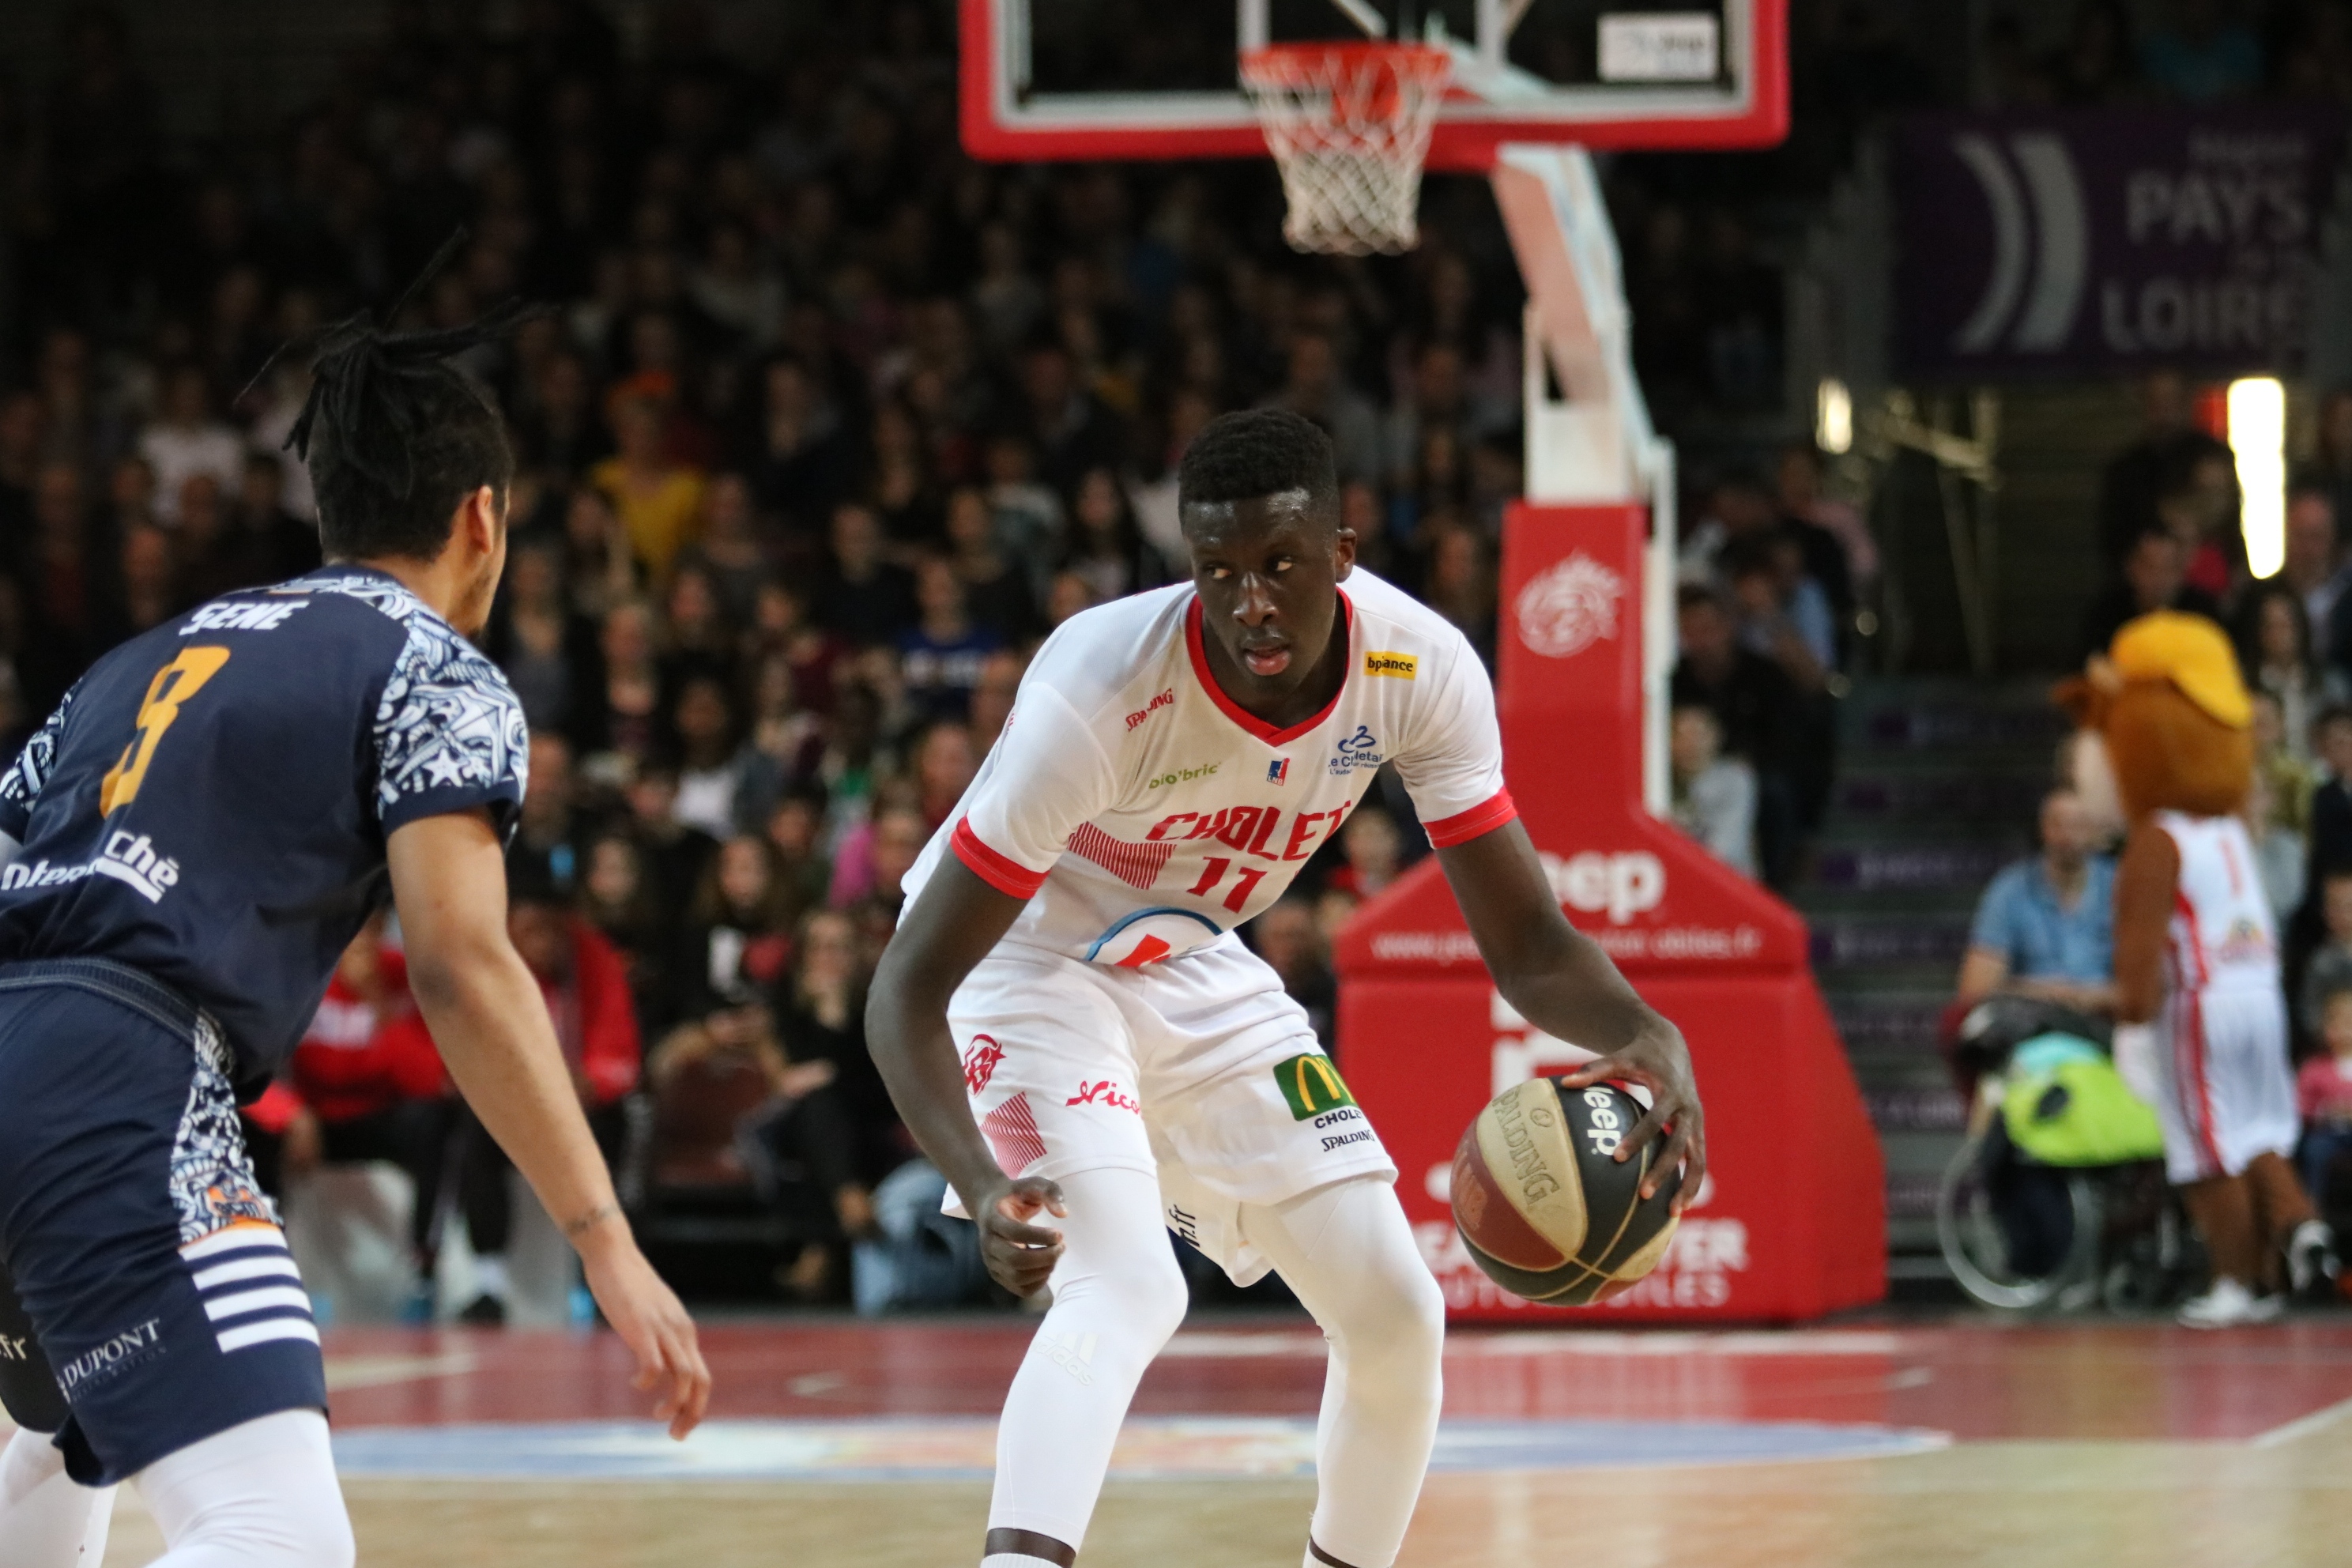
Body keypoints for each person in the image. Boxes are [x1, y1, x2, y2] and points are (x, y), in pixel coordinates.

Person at [865, 410, 1705, 1568]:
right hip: (1025, 961)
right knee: (1125, 1290)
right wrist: (975, 1174)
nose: (1251, 601)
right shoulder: (1101, 685)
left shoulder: (1419, 669)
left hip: (1192, 958)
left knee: (1399, 1316)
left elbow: (1530, 947)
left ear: (1343, 556)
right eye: (1218, 573)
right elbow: (907, 983)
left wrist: (1653, 1035)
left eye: (1280, 566)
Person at [0, 290, 706, 1568]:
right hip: (121, 1078)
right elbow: (459, 958)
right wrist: (607, 1240)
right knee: (278, 1532)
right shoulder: (432, 665)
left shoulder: (133, 659)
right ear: (482, 518)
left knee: (55, 1475)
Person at [1957, 789, 2117, 1016]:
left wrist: (2087, 997)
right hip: (2028, 1025)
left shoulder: (2121, 887)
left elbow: (2150, 988)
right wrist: (2045, 993)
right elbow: (1975, 990)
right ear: (2042, 828)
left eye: (2079, 824)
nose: (2067, 835)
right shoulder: (2010, 890)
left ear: (2097, 830)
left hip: (2106, 1027)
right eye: (2058, 824)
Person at [1668, 703, 1758, 878]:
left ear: (1716, 736)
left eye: (1698, 734)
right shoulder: (1656, 782)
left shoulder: (1735, 779)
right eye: (1681, 735)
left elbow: (1722, 851)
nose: (1690, 744)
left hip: (1726, 884)